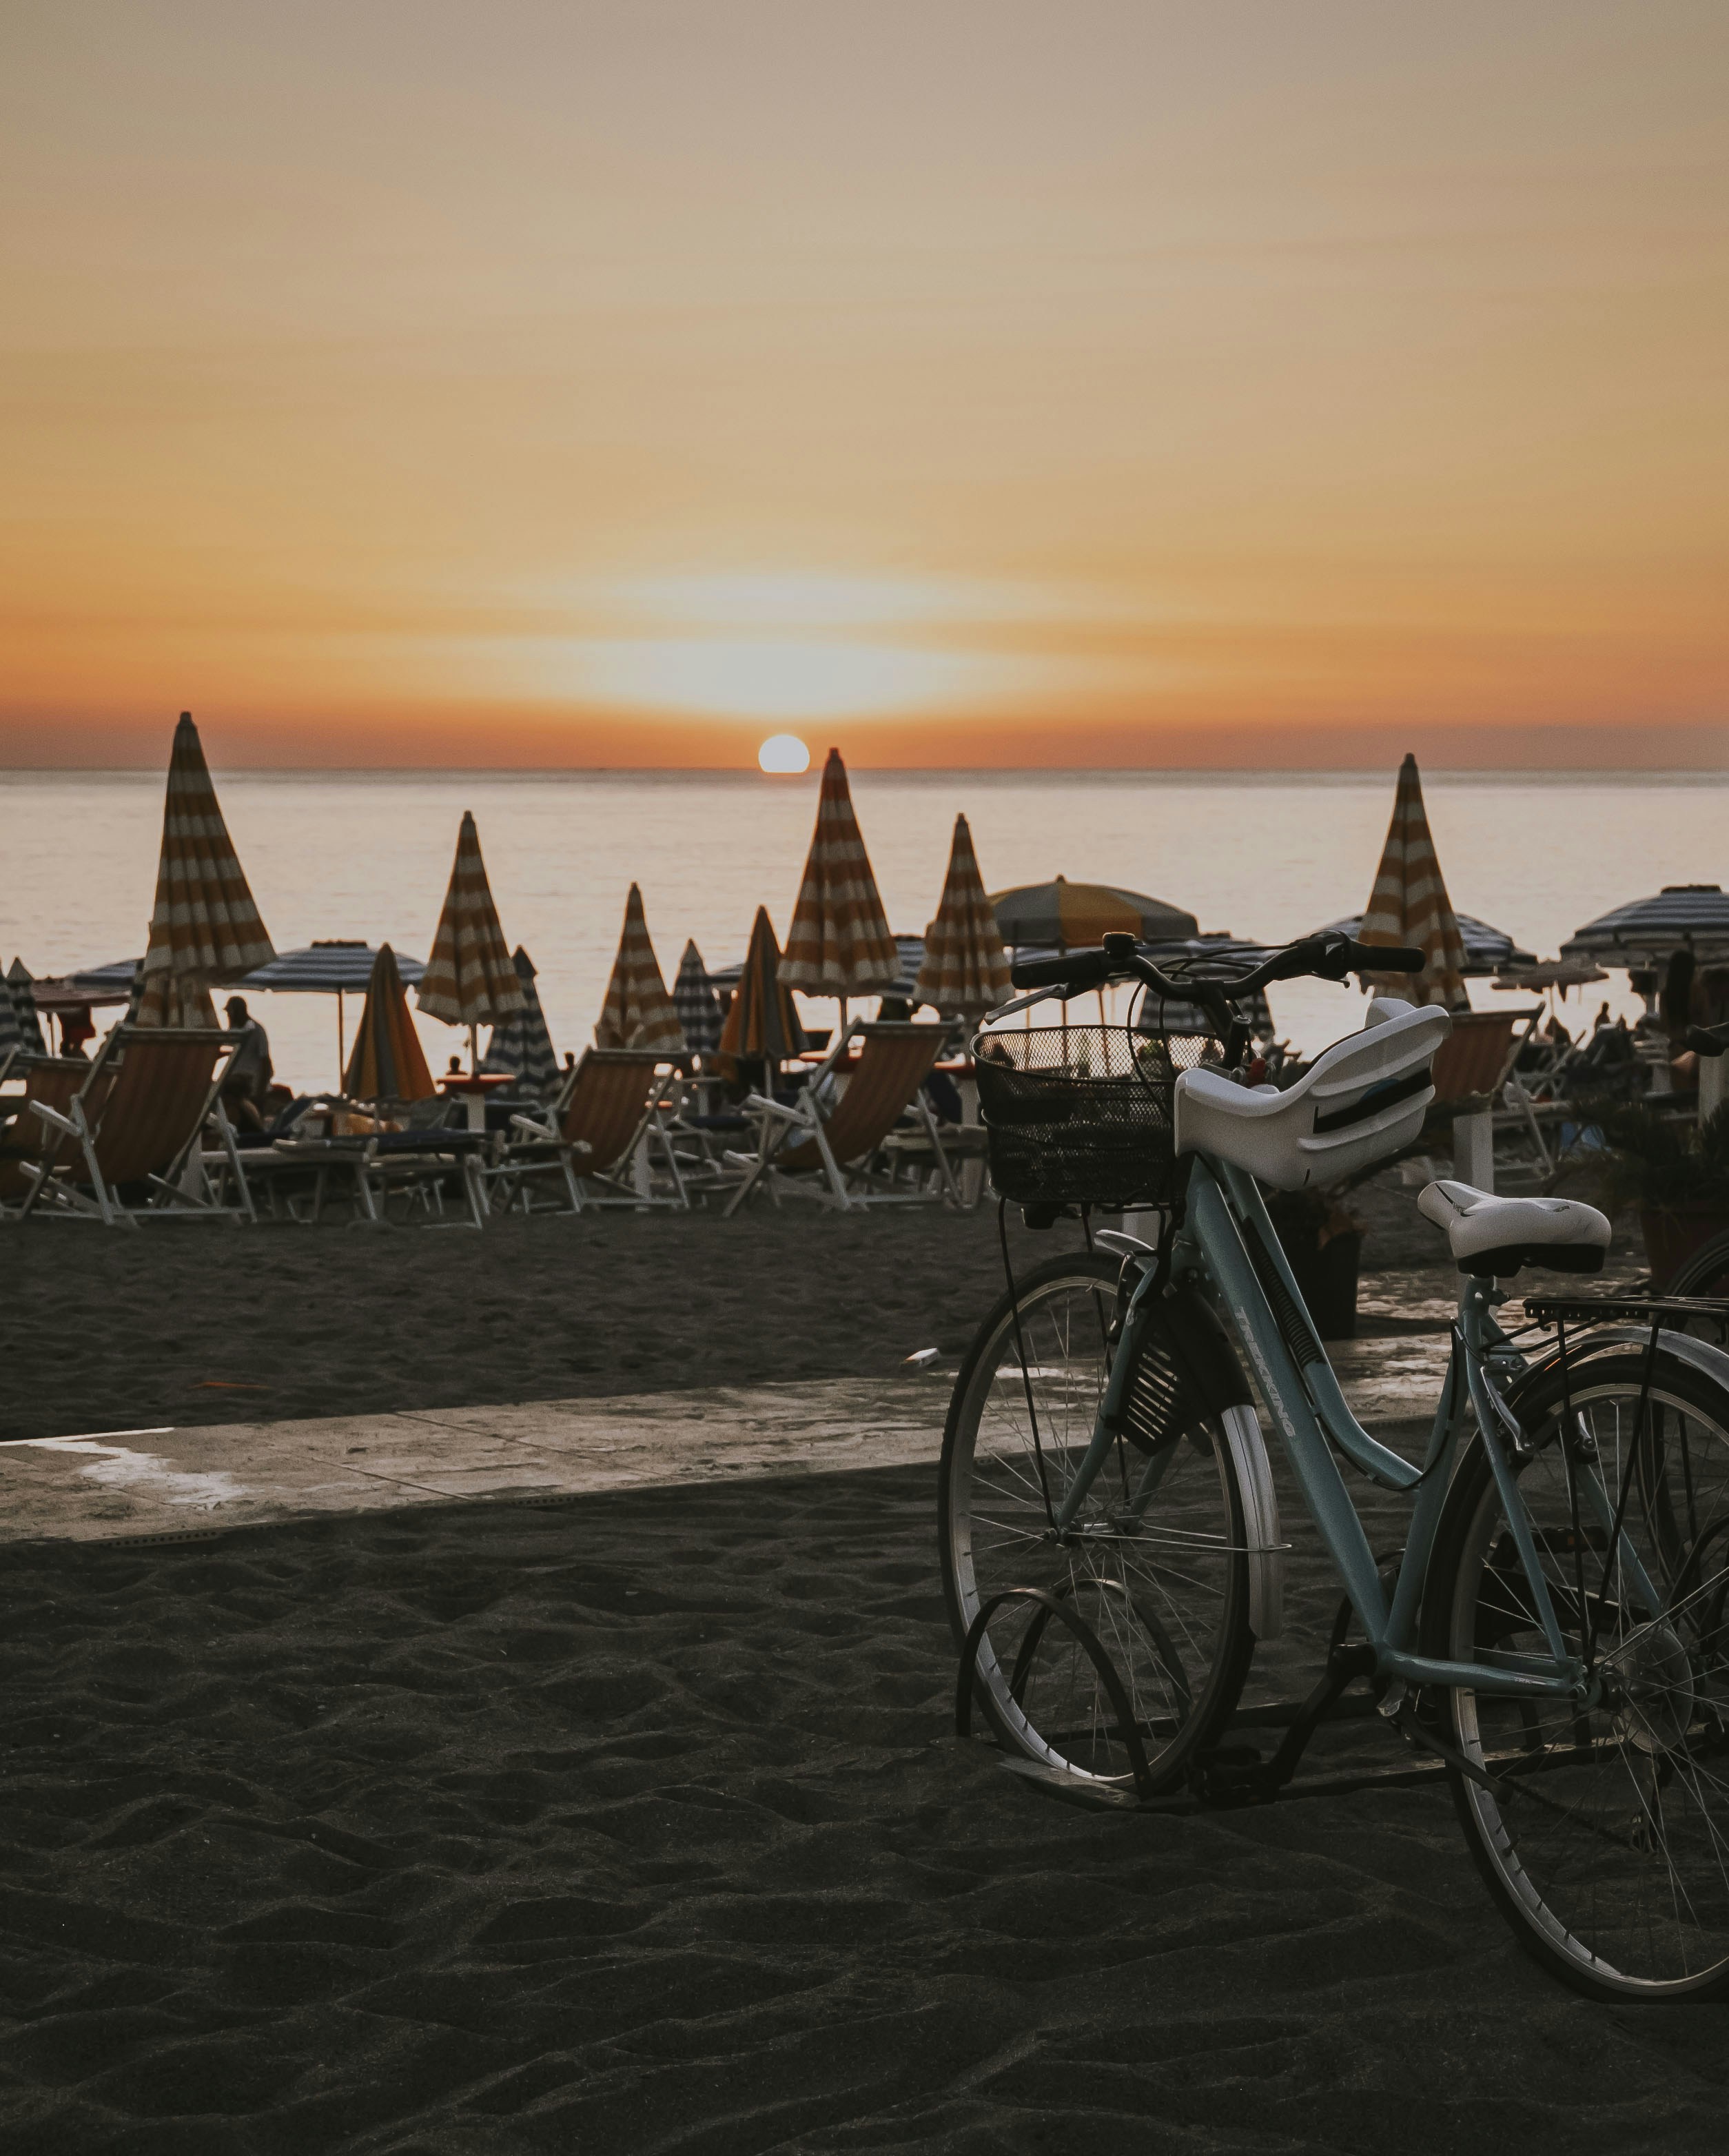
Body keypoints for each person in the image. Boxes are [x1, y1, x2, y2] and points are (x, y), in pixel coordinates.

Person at [222, 995, 273, 1130]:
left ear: (236, 1012)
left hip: (252, 1087)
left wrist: (258, 1092)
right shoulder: (234, 1031)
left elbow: (266, 1063)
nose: (228, 1016)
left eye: (229, 1013)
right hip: (236, 1087)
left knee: (253, 1124)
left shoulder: (257, 1030)